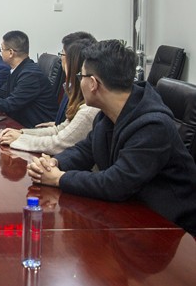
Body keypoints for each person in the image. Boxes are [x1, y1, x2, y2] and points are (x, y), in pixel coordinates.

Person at [27, 40, 196, 235]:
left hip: (169, 229)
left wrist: (59, 179)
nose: (79, 81)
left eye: (81, 76)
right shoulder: (109, 113)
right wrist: (54, 163)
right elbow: (85, 150)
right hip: (131, 213)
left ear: (93, 83)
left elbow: (116, 183)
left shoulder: (153, 126)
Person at [0, 39, 100, 154]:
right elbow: (60, 129)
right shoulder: (72, 90)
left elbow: (59, 143)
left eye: (62, 54)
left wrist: (20, 138)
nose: (61, 59)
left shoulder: (89, 109)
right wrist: (21, 133)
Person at [47, 31, 96, 126]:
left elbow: (66, 132)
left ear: (72, 59)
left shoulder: (87, 99)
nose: (61, 58)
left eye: (62, 54)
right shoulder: (70, 86)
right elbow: (66, 124)